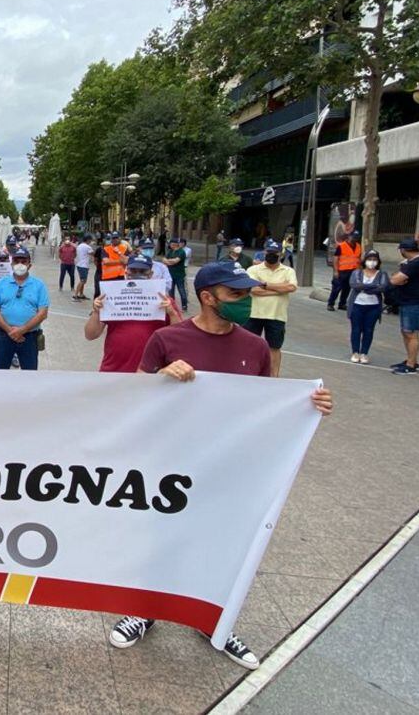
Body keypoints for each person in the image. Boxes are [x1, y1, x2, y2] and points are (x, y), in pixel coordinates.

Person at [111, 260, 333, 669]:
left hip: (228, 467)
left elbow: (262, 405)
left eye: (247, 294)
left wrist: (308, 406)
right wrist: (161, 375)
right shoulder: (166, 337)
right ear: (208, 297)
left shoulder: (255, 347)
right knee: (157, 538)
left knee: (220, 543)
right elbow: (134, 394)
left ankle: (214, 618)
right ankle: (143, 610)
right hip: (170, 463)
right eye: (236, 294)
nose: (245, 301)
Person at [85, 255, 181, 372]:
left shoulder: (165, 300)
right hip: (113, 370)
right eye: (133, 270)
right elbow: (90, 335)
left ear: (151, 274)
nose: (137, 274)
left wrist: (172, 313)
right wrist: (96, 312)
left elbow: (179, 338)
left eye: (142, 271)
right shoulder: (111, 295)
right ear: (126, 271)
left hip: (149, 372)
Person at [0, 247, 49, 371]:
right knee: (0, 373)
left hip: (29, 337)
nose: (20, 264)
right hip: (4, 335)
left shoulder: (39, 285)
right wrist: (10, 331)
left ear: (29, 265)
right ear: (11, 264)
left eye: (23, 261)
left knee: (29, 373)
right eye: (16, 261)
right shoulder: (1, 283)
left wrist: (22, 330)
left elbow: (43, 313)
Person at [245, 241, 298, 377]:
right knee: (249, 346)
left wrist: (265, 284)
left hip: (277, 315)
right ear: (264, 252)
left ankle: (274, 377)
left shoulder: (288, 271)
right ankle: (248, 372)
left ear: (280, 254)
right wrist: (280, 290)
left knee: (274, 348)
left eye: (274, 253)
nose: (271, 255)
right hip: (254, 314)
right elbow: (253, 289)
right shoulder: (253, 270)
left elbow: (291, 287)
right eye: (269, 252)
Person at [388, 237, 419, 374]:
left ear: (403, 250)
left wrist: (397, 278)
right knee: (406, 331)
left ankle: (411, 364)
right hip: (408, 300)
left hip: (415, 303)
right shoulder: (413, 262)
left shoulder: (417, 263)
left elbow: (395, 279)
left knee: (411, 333)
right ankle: (410, 359)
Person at [347, 249, 387, 364]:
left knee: (369, 330)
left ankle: (364, 353)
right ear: (364, 261)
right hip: (357, 305)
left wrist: (365, 287)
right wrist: (373, 287)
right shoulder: (357, 273)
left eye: (375, 260)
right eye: (370, 259)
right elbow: (354, 285)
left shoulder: (382, 274)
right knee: (356, 329)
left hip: (373, 307)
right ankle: (355, 352)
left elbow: (383, 287)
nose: (372, 262)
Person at [327, 230, 362, 311]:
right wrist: (336, 271)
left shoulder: (358, 246)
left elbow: (358, 258)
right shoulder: (341, 246)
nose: (355, 239)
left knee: (347, 288)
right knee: (337, 288)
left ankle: (342, 304)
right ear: (349, 237)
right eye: (353, 237)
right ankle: (330, 304)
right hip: (342, 271)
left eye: (356, 237)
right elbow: (336, 259)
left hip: (353, 271)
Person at [161, 238, 189, 312]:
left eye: (171, 244)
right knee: (171, 291)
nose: (170, 245)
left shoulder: (181, 252)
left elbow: (175, 261)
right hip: (170, 274)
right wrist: (169, 261)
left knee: (181, 290)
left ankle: (184, 306)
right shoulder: (170, 251)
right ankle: (173, 305)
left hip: (179, 275)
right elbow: (163, 259)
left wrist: (168, 261)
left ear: (175, 244)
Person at [73, 234, 95, 301]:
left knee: (83, 280)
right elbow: (93, 253)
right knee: (83, 280)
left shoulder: (79, 246)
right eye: (90, 240)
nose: (91, 241)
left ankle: (81, 294)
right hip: (84, 265)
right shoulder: (87, 247)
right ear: (88, 240)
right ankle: (75, 295)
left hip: (79, 264)